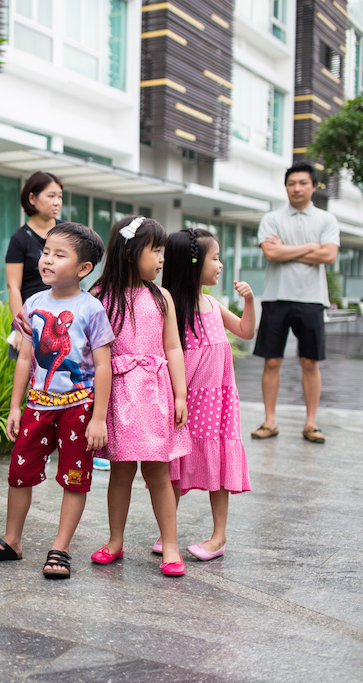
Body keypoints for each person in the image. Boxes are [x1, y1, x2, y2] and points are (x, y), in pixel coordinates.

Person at [0, 222, 112, 580]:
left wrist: (98, 418)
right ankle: (12, 540)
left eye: (59, 255)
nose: (47, 259)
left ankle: (60, 547)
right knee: (19, 472)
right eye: (46, 252)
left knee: (74, 478)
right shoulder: (32, 303)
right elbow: (24, 358)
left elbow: (103, 365)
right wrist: (16, 405)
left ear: (83, 269)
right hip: (37, 403)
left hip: (78, 407)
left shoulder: (91, 308)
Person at [88, 216, 191, 577]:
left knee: (159, 474)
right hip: (117, 396)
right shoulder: (100, 297)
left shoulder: (161, 297)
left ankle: (171, 544)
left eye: (162, 251)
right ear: (130, 253)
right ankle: (115, 540)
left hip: (154, 396)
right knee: (119, 473)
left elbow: (174, 347)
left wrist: (180, 394)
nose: (161, 259)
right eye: (156, 251)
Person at [162, 229, 254, 561]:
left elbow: (245, 330)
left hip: (216, 403)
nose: (220, 265)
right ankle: (167, 531)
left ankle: (219, 537)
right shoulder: (170, 306)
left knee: (218, 463)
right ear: (192, 265)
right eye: (214, 259)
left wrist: (249, 302)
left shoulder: (213, 305)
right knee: (175, 465)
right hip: (184, 401)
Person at [252, 162, 340, 444]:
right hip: (276, 297)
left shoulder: (326, 220)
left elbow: (329, 256)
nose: (297, 188)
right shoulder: (272, 218)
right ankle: (270, 421)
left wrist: (285, 250)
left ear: (314, 186)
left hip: (313, 300)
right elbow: (270, 253)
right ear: (286, 187)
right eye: (292, 183)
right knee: (272, 361)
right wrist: (312, 246)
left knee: (309, 362)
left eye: (303, 183)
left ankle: (311, 423)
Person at [5, 171, 63, 354]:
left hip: (64, 315)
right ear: (32, 198)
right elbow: (13, 287)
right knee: (30, 379)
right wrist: (20, 328)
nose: (57, 202)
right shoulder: (19, 238)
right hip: (33, 318)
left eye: (60, 197)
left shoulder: (67, 233)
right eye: (51, 196)